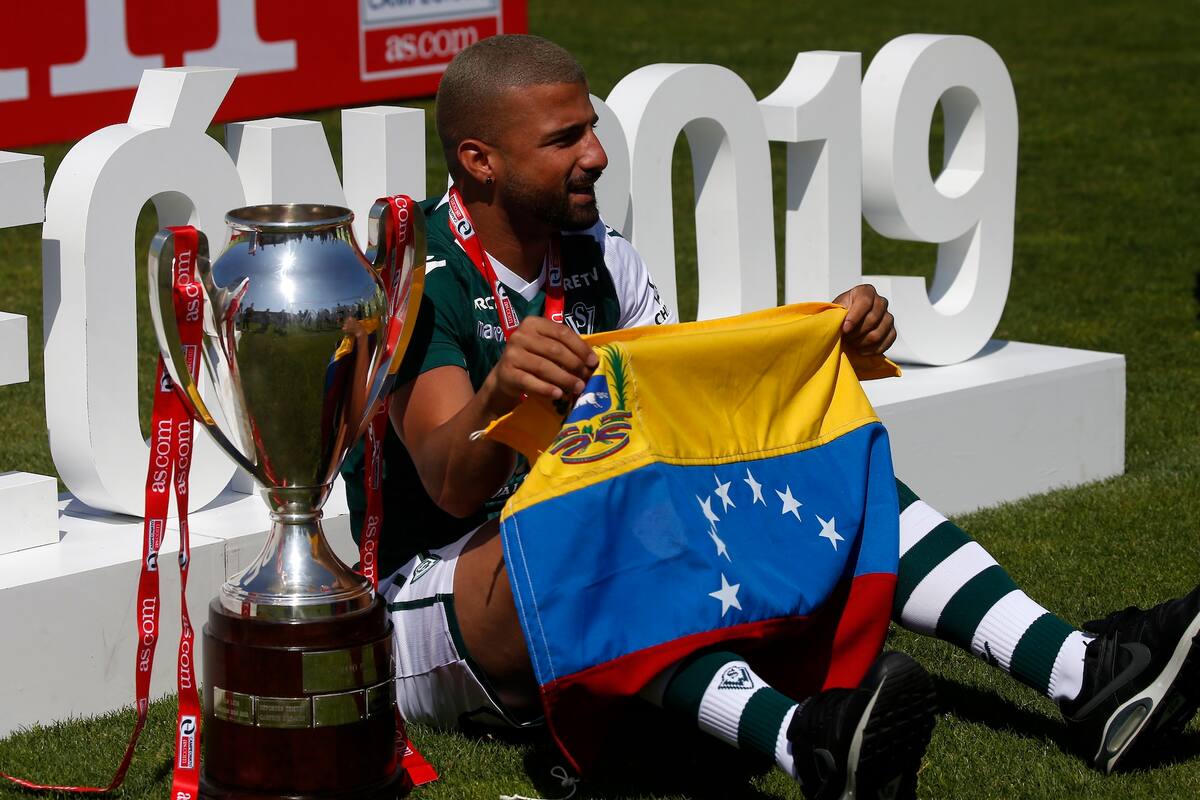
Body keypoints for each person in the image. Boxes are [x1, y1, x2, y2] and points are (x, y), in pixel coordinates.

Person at [341, 34, 1200, 798]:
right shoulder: (418, 273)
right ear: (479, 161)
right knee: (603, 522)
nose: (597, 155)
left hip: (585, 541)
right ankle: (802, 740)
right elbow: (451, 489)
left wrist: (827, 342)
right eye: (564, 139)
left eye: (592, 127)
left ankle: (1077, 670)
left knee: (814, 465)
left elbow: (688, 430)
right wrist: (499, 399)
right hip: (438, 598)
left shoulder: (605, 259)